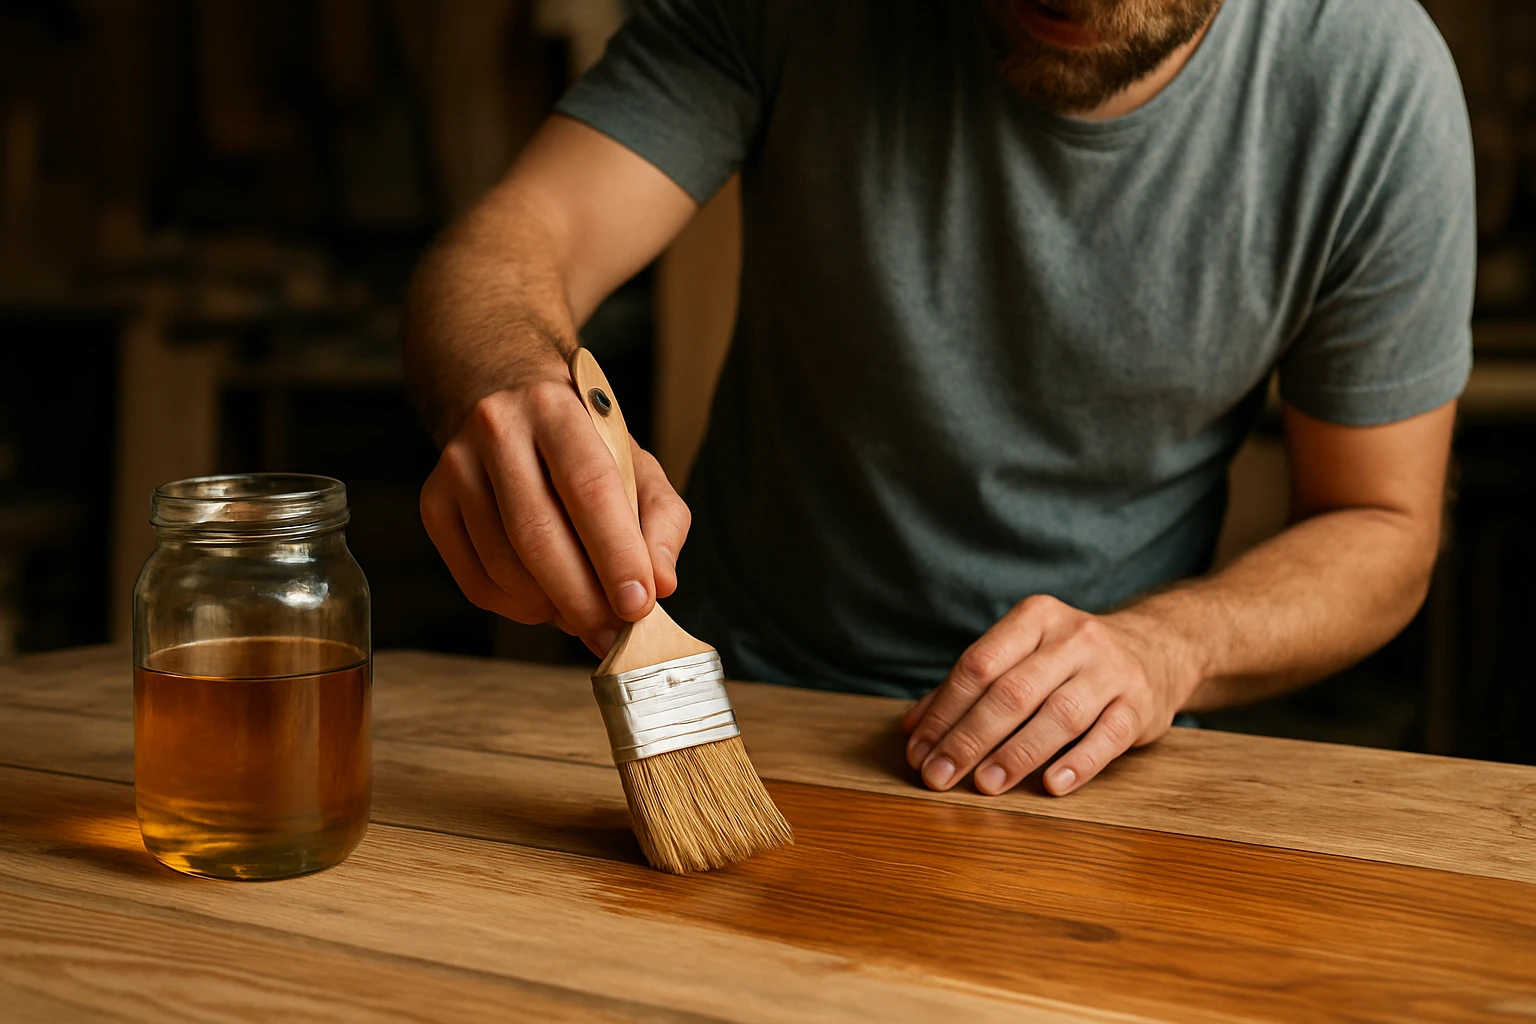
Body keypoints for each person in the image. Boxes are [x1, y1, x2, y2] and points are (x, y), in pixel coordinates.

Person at [404, 0, 1474, 800]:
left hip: (1096, 758)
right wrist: (509, 384)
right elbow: (510, 250)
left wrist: (1166, 647)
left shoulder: (1371, 83)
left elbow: (1381, 524)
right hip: (741, 707)